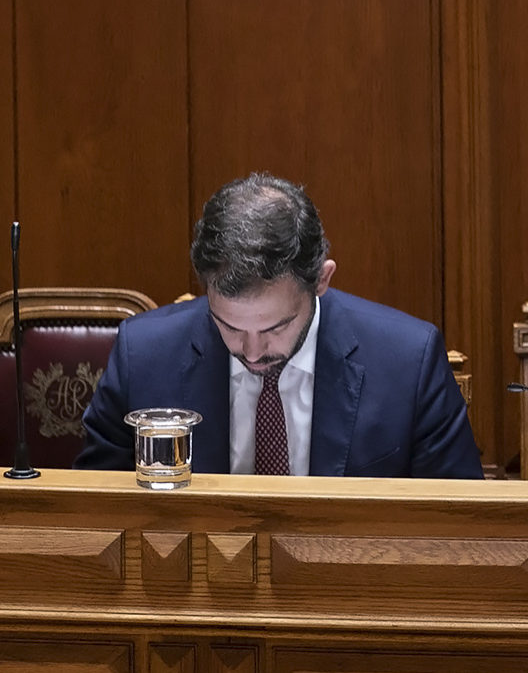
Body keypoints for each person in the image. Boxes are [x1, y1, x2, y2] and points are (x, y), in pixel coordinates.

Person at [76, 173, 483, 478]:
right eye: (229, 327)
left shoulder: (408, 362)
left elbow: (459, 522)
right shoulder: (144, 356)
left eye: (275, 328)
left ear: (321, 280)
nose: (252, 353)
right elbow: (95, 515)